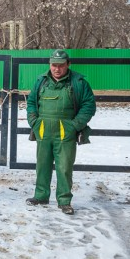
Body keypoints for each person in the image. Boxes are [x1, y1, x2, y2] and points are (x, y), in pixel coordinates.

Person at [26, 49, 96, 215]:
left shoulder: (78, 83)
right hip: (43, 129)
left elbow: (89, 106)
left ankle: (64, 200)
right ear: (49, 65)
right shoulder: (40, 81)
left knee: (64, 167)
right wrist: (34, 122)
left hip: (66, 132)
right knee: (42, 165)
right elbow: (31, 102)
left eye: (61, 65)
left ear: (68, 64)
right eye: (54, 65)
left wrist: (75, 125)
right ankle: (41, 196)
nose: (57, 69)